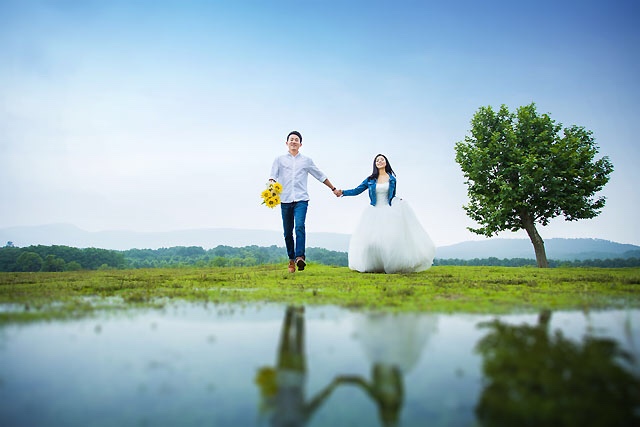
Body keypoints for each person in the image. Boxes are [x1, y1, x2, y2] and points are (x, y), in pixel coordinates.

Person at [336, 154, 436, 273]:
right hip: (374, 211)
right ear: (375, 164)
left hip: (389, 211)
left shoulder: (392, 179)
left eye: (382, 159)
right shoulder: (370, 179)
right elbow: (357, 190)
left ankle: (389, 265)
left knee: (389, 239)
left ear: (386, 162)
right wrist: (343, 192)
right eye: (377, 160)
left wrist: (399, 201)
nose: (379, 161)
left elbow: (392, 195)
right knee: (372, 240)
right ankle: (374, 265)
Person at [270, 131, 340, 273]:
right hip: (285, 200)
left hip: (301, 199)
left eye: (296, 140)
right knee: (287, 232)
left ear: (300, 144)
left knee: (300, 226)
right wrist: (270, 190)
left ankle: (299, 257)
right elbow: (272, 177)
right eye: (291, 139)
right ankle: (291, 259)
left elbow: (319, 175)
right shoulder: (279, 159)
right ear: (287, 143)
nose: (294, 142)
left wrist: (333, 188)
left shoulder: (306, 161)